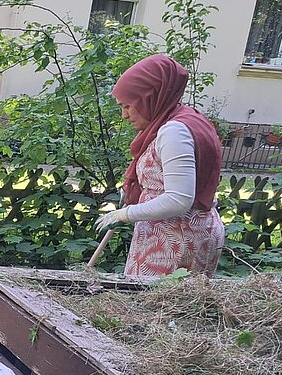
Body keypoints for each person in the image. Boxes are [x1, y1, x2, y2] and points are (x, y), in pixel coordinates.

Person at [96, 54, 224, 277]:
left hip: (175, 240)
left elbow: (179, 199)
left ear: (150, 98)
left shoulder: (174, 131)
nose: (124, 115)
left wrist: (125, 214)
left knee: (158, 309)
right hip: (176, 234)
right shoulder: (185, 120)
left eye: (127, 106)